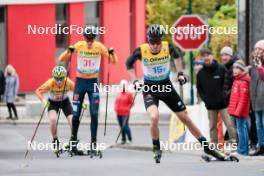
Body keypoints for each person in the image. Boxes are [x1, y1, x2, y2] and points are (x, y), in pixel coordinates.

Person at [126, 24, 226, 163]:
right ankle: (156, 147)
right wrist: (135, 81)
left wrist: (180, 73)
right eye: (152, 42)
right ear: (148, 40)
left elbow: (177, 57)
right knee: (154, 117)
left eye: (157, 42)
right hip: (150, 88)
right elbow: (128, 63)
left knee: (185, 118)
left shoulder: (168, 47)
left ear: (161, 40)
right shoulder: (141, 51)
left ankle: (206, 146)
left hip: (166, 86)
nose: (155, 45)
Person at [59, 25, 118, 155]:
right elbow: (61, 59)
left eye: (92, 38)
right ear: (84, 38)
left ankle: (93, 145)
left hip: (93, 84)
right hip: (80, 83)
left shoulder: (100, 47)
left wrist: (112, 53)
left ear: (95, 38)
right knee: (75, 115)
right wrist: (68, 51)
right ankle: (73, 143)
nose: (90, 41)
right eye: (87, 38)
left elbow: (114, 62)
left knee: (94, 113)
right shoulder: (79, 45)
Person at [196, 48, 236, 147]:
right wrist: (206, 100)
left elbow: (227, 83)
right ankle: (214, 146)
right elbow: (199, 88)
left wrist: (224, 97)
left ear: (212, 56)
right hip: (210, 105)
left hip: (223, 104)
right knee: (212, 127)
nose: (206, 57)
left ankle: (233, 144)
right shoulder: (201, 73)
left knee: (229, 125)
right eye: (204, 56)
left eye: (208, 55)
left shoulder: (221, 68)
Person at [35, 66, 74, 152]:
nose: (59, 81)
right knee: (53, 119)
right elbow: (38, 91)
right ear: (53, 77)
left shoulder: (68, 82)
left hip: (65, 101)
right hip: (53, 102)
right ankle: (55, 140)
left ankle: (73, 139)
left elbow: (78, 91)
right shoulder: (50, 83)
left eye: (61, 78)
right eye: (57, 78)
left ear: (65, 77)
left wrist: (80, 102)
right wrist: (43, 100)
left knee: (72, 120)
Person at [228, 60, 250, 155]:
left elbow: (243, 99)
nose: (235, 70)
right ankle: (242, 149)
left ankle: (242, 150)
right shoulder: (237, 80)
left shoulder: (243, 81)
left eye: (237, 68)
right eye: (234, 68)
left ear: (242, 70)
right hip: (236, 110)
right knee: (240, 129)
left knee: (241, 130)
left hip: (240, 111)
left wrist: (237, 112)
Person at [249, 40, 264, 156]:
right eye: (256, 49)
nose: (257, 51)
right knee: (258, 124)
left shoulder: (259, 66)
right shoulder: (254, 65)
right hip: (256, 99)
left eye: (260, 49)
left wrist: (260, 68)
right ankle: (261, 146)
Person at [114, 80, 134, 145]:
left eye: (124, 85)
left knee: (125, 126)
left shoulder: (129, 94)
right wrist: (115, 108)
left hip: (125, 113)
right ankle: (123, 139)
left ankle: (130, 139)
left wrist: (128, 108)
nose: (123, 87)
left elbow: (132, 103)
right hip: (118, 112)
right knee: (121, 126)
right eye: (121, 85)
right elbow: (116, 102)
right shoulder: (119, 93)